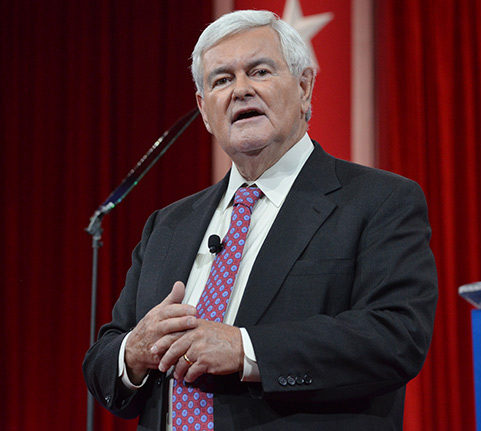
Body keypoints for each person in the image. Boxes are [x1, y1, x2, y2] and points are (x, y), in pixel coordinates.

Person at [83, 9, 437, 431]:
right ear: (204, 109)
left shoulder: (378, 200)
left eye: (260, 70)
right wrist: (133, 353)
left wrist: (246, 348)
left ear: (304, 87)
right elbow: (105, 359)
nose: (241, 90)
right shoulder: (168, 225)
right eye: (221, 80)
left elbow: (396, 336)